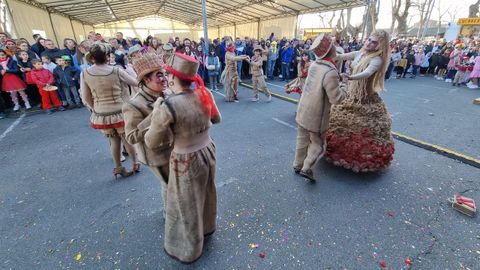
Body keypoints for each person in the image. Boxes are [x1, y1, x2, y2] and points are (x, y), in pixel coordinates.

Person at [145, 52, 221, 263]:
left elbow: (151, 141)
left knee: (185, 203)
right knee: (206, 191)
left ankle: (188, 249)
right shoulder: (205, 94)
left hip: (185, 159)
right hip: (208, 151)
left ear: (171, 78)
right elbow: (217, 119)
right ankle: (207, 228)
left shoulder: (168, 105)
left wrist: (157, 112)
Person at [326, 30, 394, 173]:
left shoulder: (377, 59)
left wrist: (350, 78)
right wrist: (329, 52)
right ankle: (335, 152)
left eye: (374, 42)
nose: (369, 43)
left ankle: (358, 159)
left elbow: (367, 73)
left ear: (380, 45)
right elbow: (340, 56)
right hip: (350, 94)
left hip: (364, 97)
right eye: (369, 39)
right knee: (340, 123)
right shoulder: (359, 53)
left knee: (360, 128)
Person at [122, 53, 173, 217]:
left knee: (176, 185)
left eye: (165, 73)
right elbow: (131, 136)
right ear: (145, 80)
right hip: (156, 155)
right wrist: (155, 114)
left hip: (174, 149)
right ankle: (170, 215)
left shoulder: (167, 93)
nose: (164, 78)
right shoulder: (133, 105)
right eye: (159, 75)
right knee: (169, 185)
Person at [80, 43, 139, 178]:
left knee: (113, 140)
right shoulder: (116, 70)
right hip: (119, 111)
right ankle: (135, 164)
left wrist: (95, 108)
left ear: (92, 57)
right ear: (107, 56)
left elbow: (86, 97)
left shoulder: (85, 74)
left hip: (101, 113)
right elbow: (135, 83)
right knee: (126, 140)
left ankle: (118, 167)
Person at [293, 34, 347, 181]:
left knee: (302, 139)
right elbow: (336, 99)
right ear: (331, 50)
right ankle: (307, 168)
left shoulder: (314, 65)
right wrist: (345, 86)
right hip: (317, 116)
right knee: (319, 144)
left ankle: (297, 165)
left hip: (303, 110)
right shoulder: (330, 72)